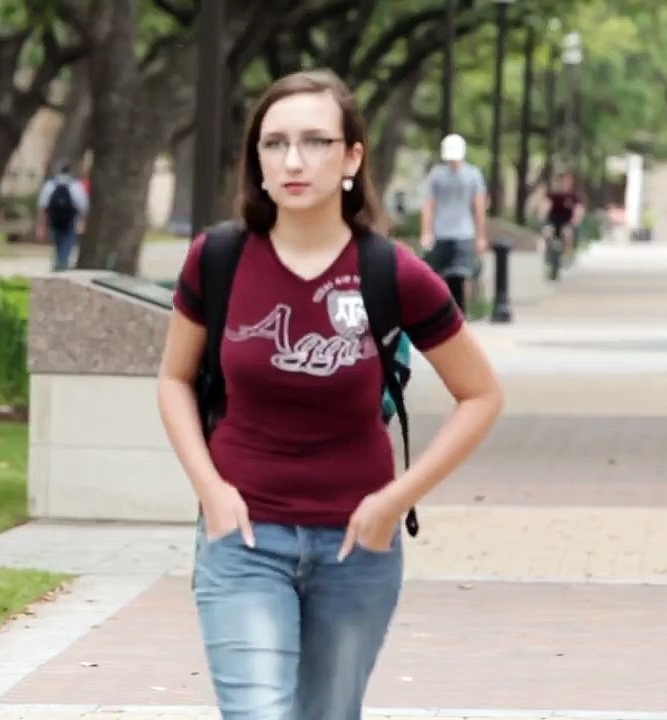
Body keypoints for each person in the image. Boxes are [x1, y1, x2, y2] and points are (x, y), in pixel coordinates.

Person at [157, 69, 503, 719]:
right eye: (274, 142)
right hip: (242, 539)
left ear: (351, 157)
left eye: (316, 142)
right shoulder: (219, 258)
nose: (293, 160)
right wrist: (210, 489)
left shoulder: (390, 271)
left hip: (355, 547)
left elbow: (480, 394)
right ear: (255, 159)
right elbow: (175, 379)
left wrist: (396, 499)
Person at [420, 133, 488, 314]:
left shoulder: (473, 175)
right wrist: (426, 231)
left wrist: (480, 236)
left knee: (461, 275)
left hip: (464, 234)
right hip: (442, 233)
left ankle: (461, 313)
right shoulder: (437, 176)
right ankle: (444, 313)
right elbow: (429, 205)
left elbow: (479, 207)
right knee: (442, 278)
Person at [36, 162, 90, 270]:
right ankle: (62, 265)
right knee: (67, 244)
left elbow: (42, 206)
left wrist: (41, 225)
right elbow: (83, 206)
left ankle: (57, 264)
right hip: (70, 220)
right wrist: (82, 221)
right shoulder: (76, 186)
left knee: (57, 242)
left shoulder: (50, 185)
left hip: (54, 219)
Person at [541, 171, 586, 260]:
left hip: (567, 222)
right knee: (547, 232)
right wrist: (543, 213)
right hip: (553, 221)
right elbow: (545, 204)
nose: (566, 183)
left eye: (568, 181)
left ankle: (566, 256)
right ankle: (548, 254)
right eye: (564, 180)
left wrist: (576, 219)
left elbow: (579, 209)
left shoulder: (574, 196)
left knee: (567, 233)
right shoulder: (554, 194)